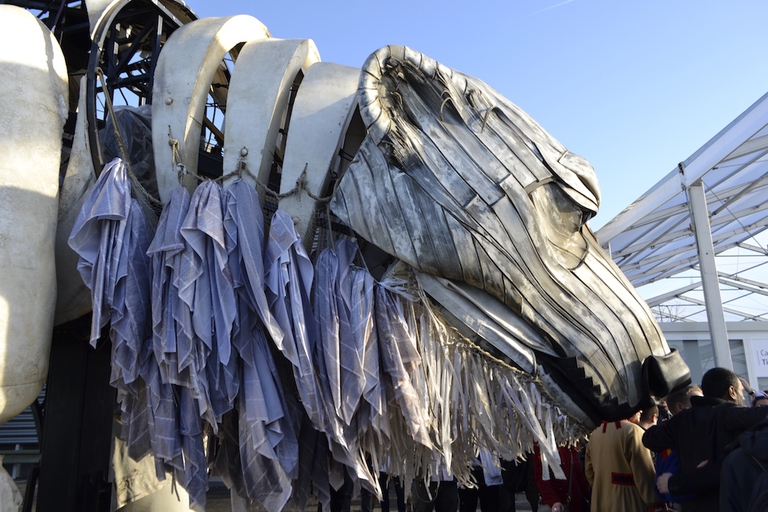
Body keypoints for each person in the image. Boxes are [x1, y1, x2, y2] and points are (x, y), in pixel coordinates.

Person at [642, 367, 768, 512]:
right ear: (732, 392)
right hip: (727, 502)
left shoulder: (682, 419)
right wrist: (754, 394)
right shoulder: (731, 414)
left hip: (691, 504)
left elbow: (649, 439)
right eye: (741, 392)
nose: (743, 397)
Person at [585, 415, 665, 511]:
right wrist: (656, 504)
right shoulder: (633, 431)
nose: (640, 411)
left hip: (599, 501)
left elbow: (589, 472)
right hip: (628, 502)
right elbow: (644, 475)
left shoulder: (595, 434)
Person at [532, 442, 590, 512]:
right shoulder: (540, 441)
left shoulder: (569, 442)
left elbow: (578, 475)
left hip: (574, 503)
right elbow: (540, 476)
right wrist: (553, 501)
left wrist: (590, 497)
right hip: (554, 506)